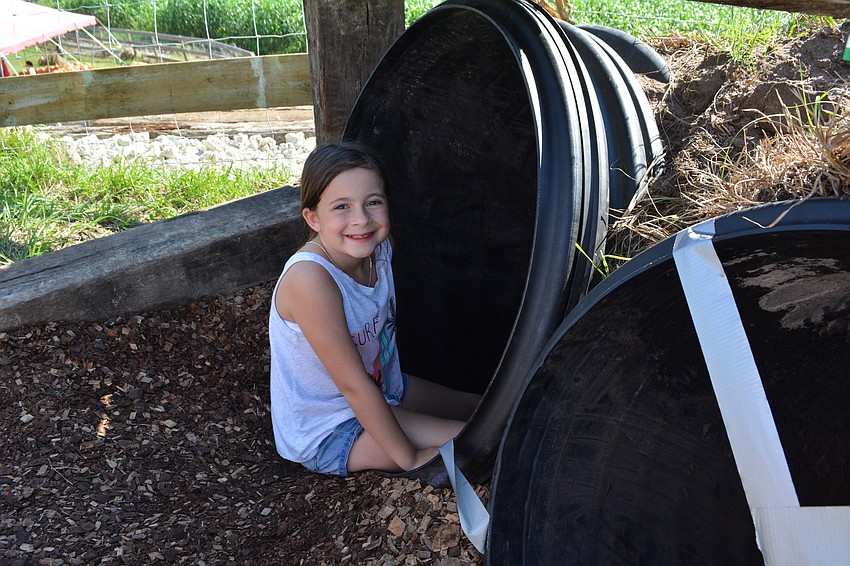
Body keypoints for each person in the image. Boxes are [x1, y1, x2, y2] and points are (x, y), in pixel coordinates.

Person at [269, 141, 480, 476]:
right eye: (341, 207)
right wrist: (410, 459)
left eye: (373, 202)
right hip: (330, 427)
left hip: (385, 389)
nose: (362, 219)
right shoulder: (310, 281)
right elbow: (353, 385)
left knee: (480, 409)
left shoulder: (379, 251)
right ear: (313, 218)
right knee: (475, 444)